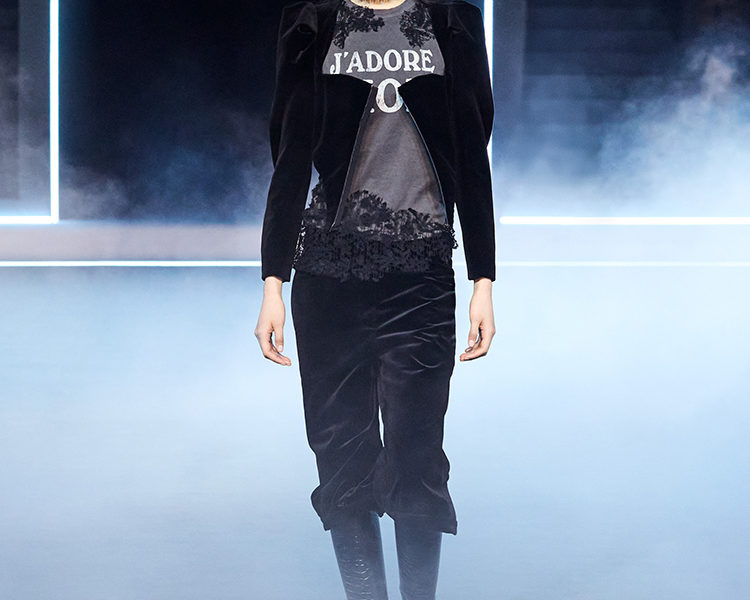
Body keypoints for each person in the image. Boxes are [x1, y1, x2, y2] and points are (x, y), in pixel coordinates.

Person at [255, 0, 496, 598]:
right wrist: (272, 282)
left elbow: (472, 151)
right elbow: (290, 156)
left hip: (420, 272)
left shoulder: (451, 20)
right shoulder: (312, 21)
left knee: (417, 456)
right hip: (327, 273)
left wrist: (483, 279)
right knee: (341, 456)